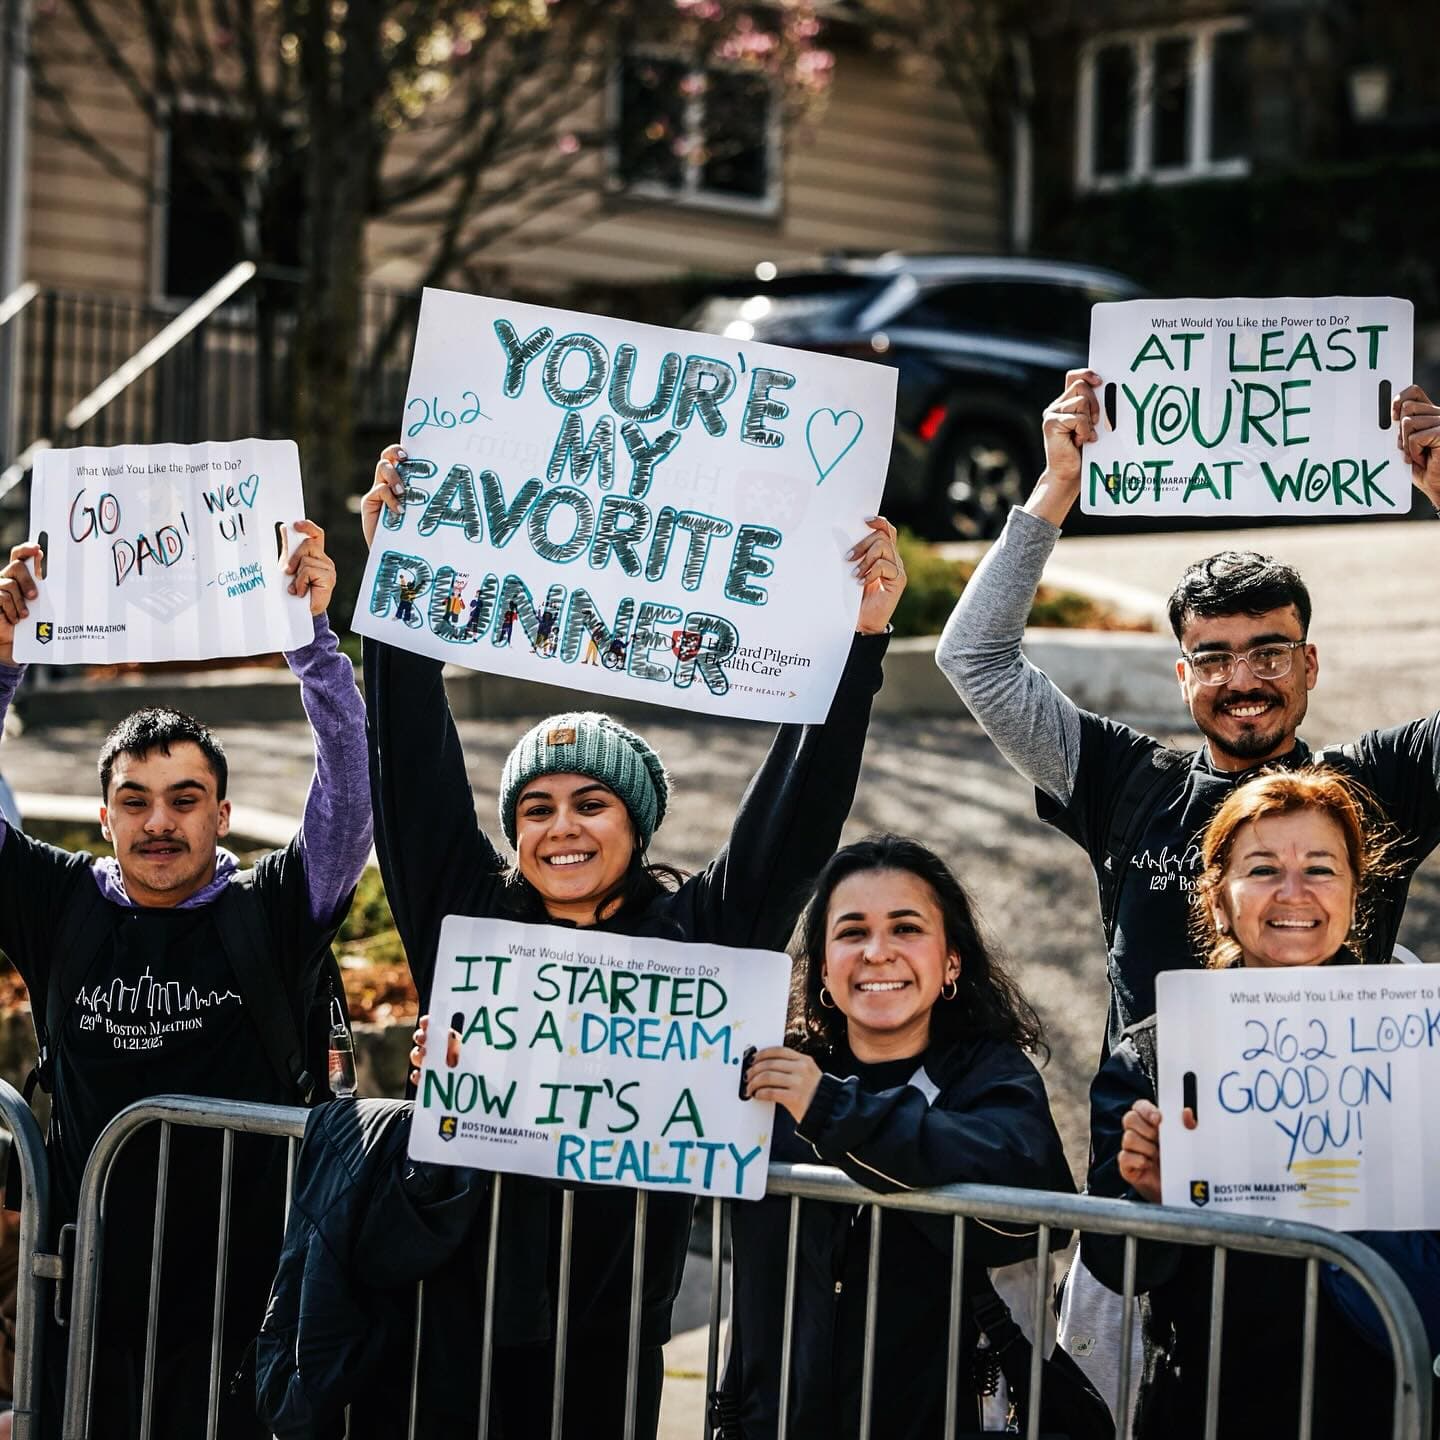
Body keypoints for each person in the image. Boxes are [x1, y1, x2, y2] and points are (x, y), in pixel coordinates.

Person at [362, 446, 907, 1438]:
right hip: (452, 1325)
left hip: (611, 1341)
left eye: (590, 802)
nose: (560, 827)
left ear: (638, 822)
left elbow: (793, 823)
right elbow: (410, 782)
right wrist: (399, 598)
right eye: (534, 808)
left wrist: (855, 643)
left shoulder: (698, 932)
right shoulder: (474, 922)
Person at [0, 523, 371, 1436]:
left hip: (246, 1330)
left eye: (184, 800)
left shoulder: (273, 909)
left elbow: (353, 794)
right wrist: (4, 659)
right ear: (104, 816)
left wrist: (310, 642)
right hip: (84, 1318)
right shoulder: (59, 906)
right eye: (135, 802)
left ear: (225, 815)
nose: (158, 823)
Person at [938, 376, 1440, 1048]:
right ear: (1183, 677)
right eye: (1213, 660)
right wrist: (1055, 488)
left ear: (1310, 665)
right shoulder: (1121, 780)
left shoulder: (1379, 786)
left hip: (1336, 1140)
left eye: (1269, 655)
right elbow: (975, 658)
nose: (1242, 682)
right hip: (1150, 1144)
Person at [1083, 767, 1411, 1438]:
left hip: (1384, 1406)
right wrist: (1152, 1200)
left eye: (1321, 869)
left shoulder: (1414, 1042)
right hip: (1207, 1407)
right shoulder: (1154, 1055)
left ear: (1355, 893)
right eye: (1262, 869)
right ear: (1217, 899)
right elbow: (1114, 1267)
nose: (1294, 892)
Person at [719, 835, 1075, 1439]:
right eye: (852, 932)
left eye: (906, 928)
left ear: (952, 961)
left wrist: (832, 1110)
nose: (877, 952)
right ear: (824, 968)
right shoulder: (772, 1086)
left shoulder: (991, 1076)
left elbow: (1028, 1203)